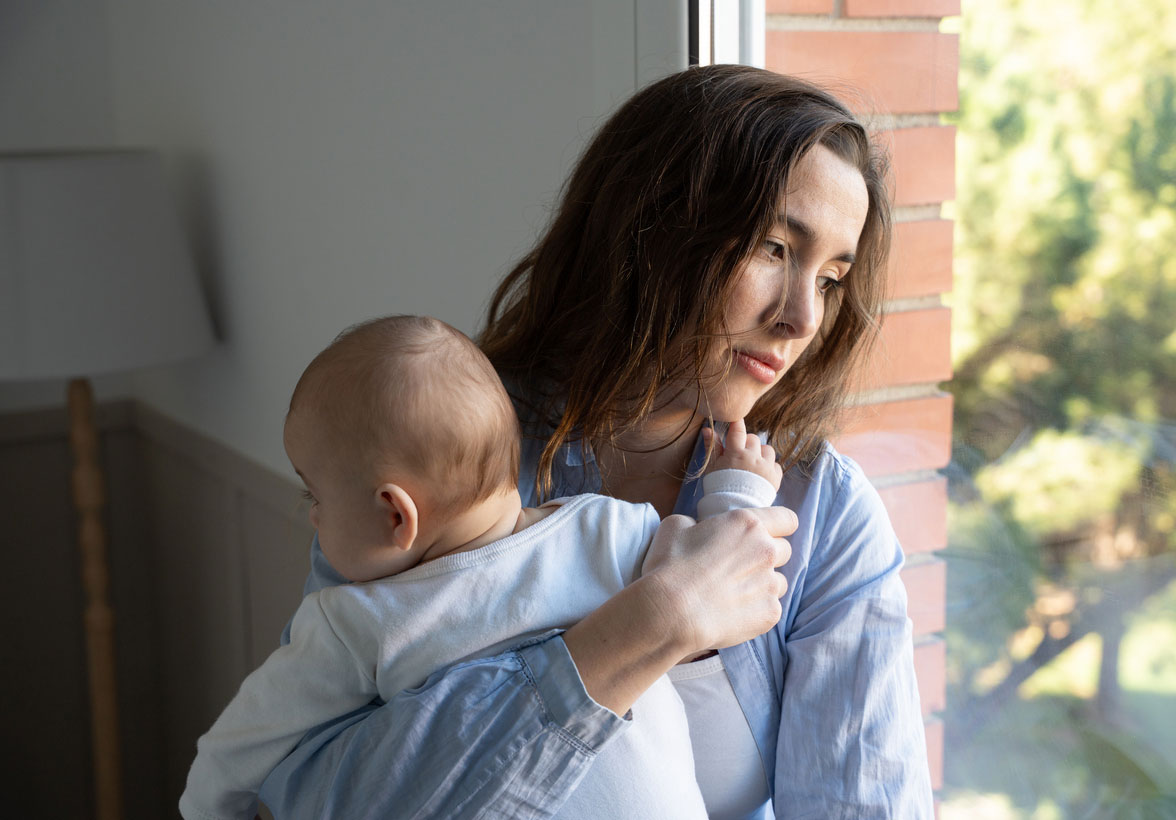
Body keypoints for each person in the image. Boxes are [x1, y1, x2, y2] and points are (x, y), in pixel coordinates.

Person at [260, 64, 933, 819]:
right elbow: (304, 792)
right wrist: (652, 624)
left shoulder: (823, 518)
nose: (804, 318)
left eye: (832, 278)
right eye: (774, 248)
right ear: (651, 226)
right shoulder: (429, 444)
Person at [182, 315, 783, 820]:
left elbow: (240, 744)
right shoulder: (603, 529)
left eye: (314, 496)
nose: (313, 518)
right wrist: (737, 491)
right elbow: (713, 571)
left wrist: (208, 810)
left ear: (396, 514)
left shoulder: (356, 622)